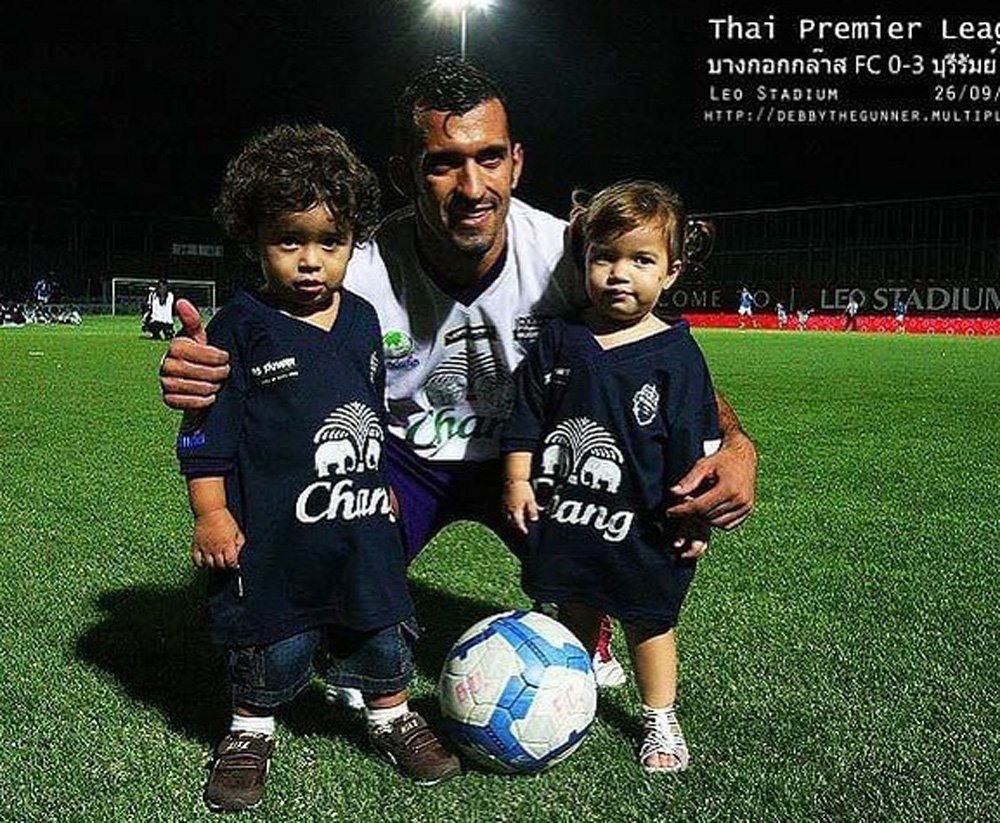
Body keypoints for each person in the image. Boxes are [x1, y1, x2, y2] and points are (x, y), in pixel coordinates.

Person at [158, 57, 758, 693]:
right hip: (406, 460)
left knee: (615, 504)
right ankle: (336, 626)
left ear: (516, 163)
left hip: (528, 456)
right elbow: (260, 340)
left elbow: (655, 359)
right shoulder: (358, 269)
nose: (473, 186)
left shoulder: (569, 257)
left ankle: (592, 617)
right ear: (404, 174)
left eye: (490, 158)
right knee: (333, 551)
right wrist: (200, 367)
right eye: (444, 163)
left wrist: (736, 444)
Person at [176, 124, 459, 812]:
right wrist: (211, 511)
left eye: (330, 242)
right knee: (270, 633)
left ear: (352, 239)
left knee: (379, 618)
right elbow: (205, 432)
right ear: (255, 239)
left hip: (360, 522)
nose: (310, 261)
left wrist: (382, 482)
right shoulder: (240, 326)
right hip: (273, 533)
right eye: (289, 241)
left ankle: (391, 714)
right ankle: (250, 730)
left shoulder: (362, 319)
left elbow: (371, 412)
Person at [502, 181, 719, 773]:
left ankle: (659, 717)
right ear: (584, 262)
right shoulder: (559, 339)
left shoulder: (678, 355)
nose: (620, 273)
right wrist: (518, 480)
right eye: (605, 257)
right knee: (573, 608)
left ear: (671, 273)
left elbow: (696, 446)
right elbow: (526, 416)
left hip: (646, 524)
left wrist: (694, 516)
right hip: (570, 517)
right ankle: (570, 700)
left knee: (649, 621)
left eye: (641, 260)